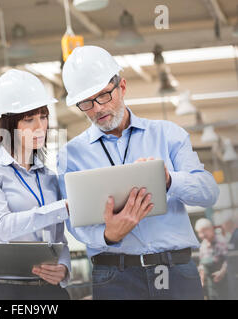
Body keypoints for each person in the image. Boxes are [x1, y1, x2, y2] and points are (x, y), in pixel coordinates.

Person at [57, 45, 220, 300]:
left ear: (121, 87)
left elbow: (208, 193)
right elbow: (73, 220)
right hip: (115, 276)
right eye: (86, 103)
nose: (97, 109)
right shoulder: (70, 154)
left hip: (175, 271)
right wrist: (107, 235)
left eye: (103, 96)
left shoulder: (168, 134)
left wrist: (168, 180)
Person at [0, 69, 71, 300]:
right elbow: (2, 226)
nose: (40, 127)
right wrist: (62, 208)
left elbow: (58, 239)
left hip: (46, 288)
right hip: (0, 288)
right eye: (29, 119)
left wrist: (63, 268)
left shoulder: (47, 176)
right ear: (8, 123)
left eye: (43, 117)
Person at [195, 218, 229, 300]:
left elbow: (228, 260)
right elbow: (202, 264)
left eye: (204, 231)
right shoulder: (203, 245)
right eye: (199, 232)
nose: (202, 235)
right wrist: (201, 279)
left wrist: (222, 272)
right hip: (211, 284)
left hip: (225, 282)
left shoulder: (221, 241)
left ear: (211, 229)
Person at [216, 209, 238, 299]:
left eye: (223, 224)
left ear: (228, 223)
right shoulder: (232, 235)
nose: (222, 226)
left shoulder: (236, 235)